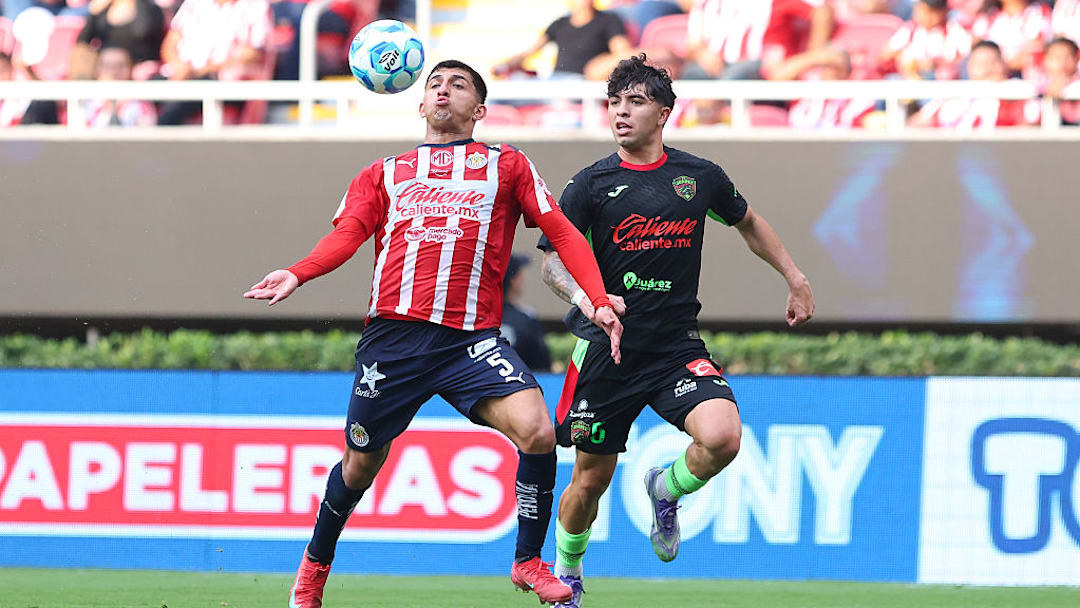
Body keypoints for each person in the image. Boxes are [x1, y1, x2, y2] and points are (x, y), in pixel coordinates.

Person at [243, 59, 624, 608]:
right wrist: (298, 271)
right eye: (434, 85)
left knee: (539, 432)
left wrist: (597, 295)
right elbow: (348, 236)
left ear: (480, 109)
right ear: (421, 105)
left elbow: (562, 230)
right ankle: (313, 570)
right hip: (394, 343)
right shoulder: (384, 172)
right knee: (358, 467)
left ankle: (526, 562)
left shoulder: (508, 165)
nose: (444, 90)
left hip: (471, 341)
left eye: (459, 84)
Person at [536, 54, 814, 608]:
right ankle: (568, 576)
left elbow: (750, 223)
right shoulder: (590, 185)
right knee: (588, 484)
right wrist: (589, 300)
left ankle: (666, 488)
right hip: (605, 352)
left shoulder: (699, 178)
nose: (620, 112)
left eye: (634, 102)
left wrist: (794, 275)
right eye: (613, 103)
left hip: (674, 347)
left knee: (723, 437)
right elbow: (551, 263)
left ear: (664, 112)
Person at [157, 0, 272, 124]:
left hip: (221, 81)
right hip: (180, 75)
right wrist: (179, 66)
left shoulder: (256, 6)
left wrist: (200, 70)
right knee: (148, 89)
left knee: (187, 96)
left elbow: (254, 53)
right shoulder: (194, 3)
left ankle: (157, 135)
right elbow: (170, 42)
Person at [909, 40, 1037, 129]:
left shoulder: (1019, 95)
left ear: (1004, 65)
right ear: (969, 67)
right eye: (981, 63)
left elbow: (1030, 129)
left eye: (993, 62)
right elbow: (916, 124)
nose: (987, 68)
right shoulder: (952, 97)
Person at [494, 0, 633, 80]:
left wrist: (600, 69)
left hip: (582, 82)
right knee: (514, 83)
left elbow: (622, 54)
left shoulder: (609, 20)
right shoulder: (560, 23)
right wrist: (504, 66)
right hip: (555, 80)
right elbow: (528, 53)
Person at [880, 0, 973, 81]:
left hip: (939, 82)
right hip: (910, 79)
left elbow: (965, 60)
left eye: (932, 12)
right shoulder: (910, 29)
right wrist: (905, 59)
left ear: (943, 12)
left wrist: (935, 63)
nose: (926, 16)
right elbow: (885, 55)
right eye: (923, 10)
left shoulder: (953, 30)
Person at [72, 0, 165, 80]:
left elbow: (144, 31)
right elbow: (82, 41)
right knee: (81, 53)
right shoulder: (103, 11)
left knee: (116, 61)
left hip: (134, 64)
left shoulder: (151, 9)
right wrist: (93, 13)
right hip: (104, 65)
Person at [75, 46, 157, 127]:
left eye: (120, 66)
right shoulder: (84, 100)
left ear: (130, 68)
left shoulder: (141, 102)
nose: (114, 72)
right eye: (107, 66)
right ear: (97, 70)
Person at [501, 253, 553, 372]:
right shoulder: (526, 320)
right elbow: (543, 363)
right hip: (522, 383)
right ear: (513, 280)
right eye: (520, 274)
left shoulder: (480, 318)